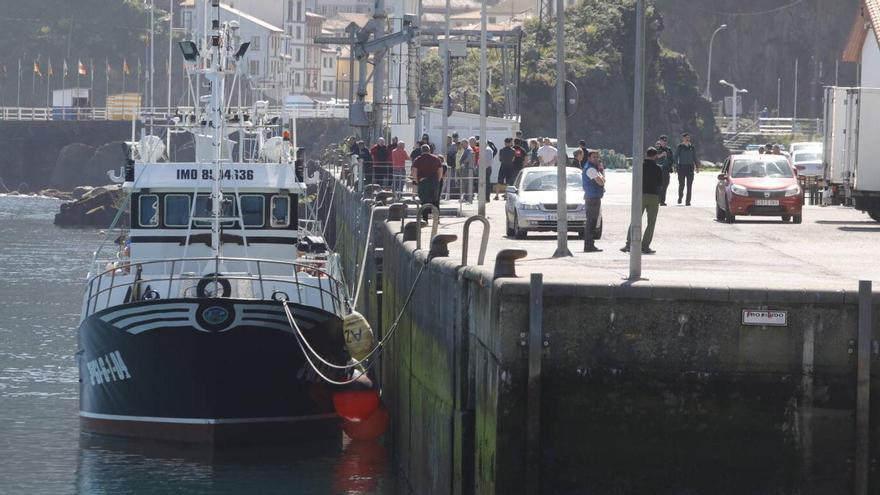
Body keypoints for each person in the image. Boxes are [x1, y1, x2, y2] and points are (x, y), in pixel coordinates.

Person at [621, 148, 662, 254]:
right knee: (651, 222)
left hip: (640, 195)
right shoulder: (658, 168)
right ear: (655, 156)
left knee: (635, 219)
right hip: (653, 196)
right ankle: (645, 246)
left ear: (646, 155)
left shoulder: (640, 166)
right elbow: (660, 184)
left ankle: (629, 244)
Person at [411, 144, 443, 221]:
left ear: (421, 151)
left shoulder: (418, 159)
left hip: (423, 182)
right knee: (435, 201)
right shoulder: (436, 159)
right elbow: (440, 170)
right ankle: (436, 219)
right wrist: (438, 180)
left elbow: (414, 171)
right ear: (429, 150)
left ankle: (425, 220)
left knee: (424, 201)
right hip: (434, 182)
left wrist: (417, 181)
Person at [582, 150, 605, 253]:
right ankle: (588, 245)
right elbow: (600, 182)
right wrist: (601, 177)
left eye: (597, 157)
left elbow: (602, 180)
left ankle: (590, 244)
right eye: (594, 157)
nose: (596, 159)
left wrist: (601, 172)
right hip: (592, 199)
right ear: (589, 158)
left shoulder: (594, 168)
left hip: (594, 198)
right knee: (591, 223)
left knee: (593, 222)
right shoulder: (590, 169)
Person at [675, 133, 699, 206]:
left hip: (690, 167)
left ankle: (688, 201)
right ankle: (680, 197)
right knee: (681, 184)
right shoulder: (680, 147)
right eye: (686, 138)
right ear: (683, 139)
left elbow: (695, 157)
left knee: (689, 185)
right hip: (681, 167)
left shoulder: (692, 147)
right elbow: (676, 157)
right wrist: (676, 166)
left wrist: (697, 167)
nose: (688, 139)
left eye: (688, 138)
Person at [655, 135, 674, 206]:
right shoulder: (657, 149)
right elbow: (653, 157)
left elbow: (672, 159)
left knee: (665, 185)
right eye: (663, 141)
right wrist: (660, 155)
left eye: (665, 141)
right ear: (660, 141)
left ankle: (662, 201)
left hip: (666, 170)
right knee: (658, 186)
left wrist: (672, 165)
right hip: (658, 171)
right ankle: (657, 200)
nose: (664, 143)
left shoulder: (669, 149)